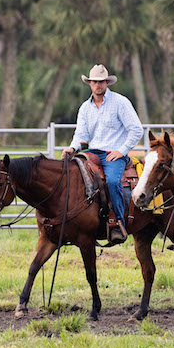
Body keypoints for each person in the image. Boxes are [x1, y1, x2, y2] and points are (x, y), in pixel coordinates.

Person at [63, 64, 143, 244]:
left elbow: (136, 129)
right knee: (74, 176)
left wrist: (121, 151)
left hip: (114, 152)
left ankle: (118, 224)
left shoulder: (120, 102)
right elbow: (81, 134)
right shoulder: (85, 107)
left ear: (107, 82)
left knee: (113, 181)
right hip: (91, 151)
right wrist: (72, 147)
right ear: (89, 83)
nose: (97, 85)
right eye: (94, 82)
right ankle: (78, 219)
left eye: (101, 82)